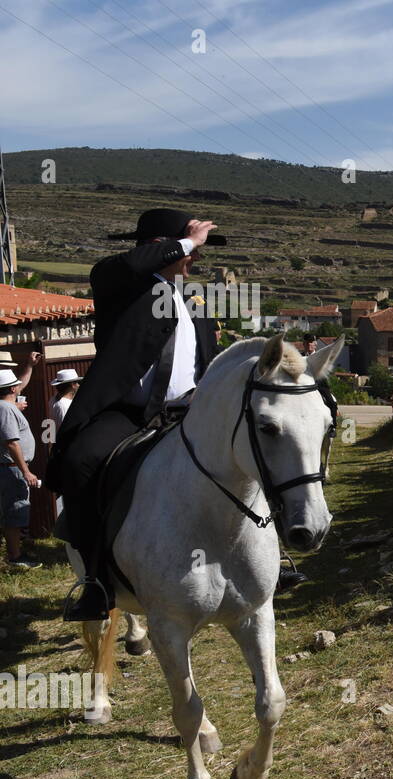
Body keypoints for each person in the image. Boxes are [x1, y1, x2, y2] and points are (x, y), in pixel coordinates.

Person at [47, 208, 222, 619]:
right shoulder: (116, 282)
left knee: (249, 448)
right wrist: (186, 241)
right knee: (80, 461)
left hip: (188, 411)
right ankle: (95, 581)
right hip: (128, 413)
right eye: (190, 250)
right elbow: (132, 264)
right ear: (161, 248)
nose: (195, 258)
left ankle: (272, 559)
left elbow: (205, 360)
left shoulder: (194, 302)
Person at [1, 366, 43, 571]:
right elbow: (12, 443)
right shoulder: (6, 409)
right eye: (16, 385)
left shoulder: (7, 407)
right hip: (13, 468)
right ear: (12, 390)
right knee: (16, 511)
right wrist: (25, 471)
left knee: (15, 511)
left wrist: (29, 366)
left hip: (11, 467)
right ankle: (15, 557)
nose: (19, 386)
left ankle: (15, 553)